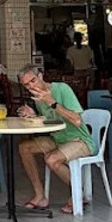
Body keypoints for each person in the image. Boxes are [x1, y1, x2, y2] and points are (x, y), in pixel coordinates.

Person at [13, 65, 96, 210]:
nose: (31, 86)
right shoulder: (38, 98)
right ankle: (39, 195)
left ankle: (78, 193)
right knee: (24, 147)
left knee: (51, 159)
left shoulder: (61, 89)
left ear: (40, 76)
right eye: (26, 85)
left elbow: (76, 120)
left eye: (33, 81)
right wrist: (34, 116)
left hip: (79, 140)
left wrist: (52, 102)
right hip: (58, 139)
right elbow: (51, 120)